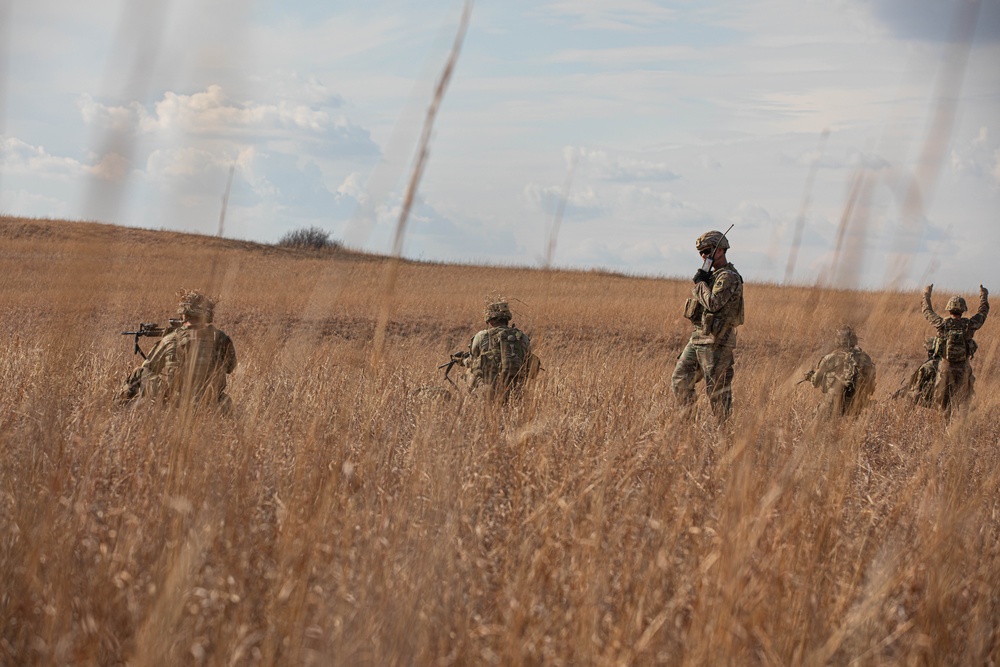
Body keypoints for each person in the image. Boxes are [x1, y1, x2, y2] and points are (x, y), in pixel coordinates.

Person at [118, 289, 237, 411]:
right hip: (213, 401)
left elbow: (150, 367)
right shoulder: (220, 337)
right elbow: (230, 367)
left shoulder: (171, 339)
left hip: (177, 403)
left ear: (184, 313)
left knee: (139, 372)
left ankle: (117, 410)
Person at [671, 230, 744, 421]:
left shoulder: (728, 277)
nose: (704, 255)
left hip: (717, 342)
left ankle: (724, 435)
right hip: (698, 339)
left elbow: (713, 302)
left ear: (720, 250)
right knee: (680, 379)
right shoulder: (711, 277)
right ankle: (688, 427)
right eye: (701, 252)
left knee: (717, 392)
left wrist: (700, 283)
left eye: (707, 250)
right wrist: (703, 280)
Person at [921, 284, 988, 416]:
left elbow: (927, 311)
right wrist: (984, 295)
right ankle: (960, 428)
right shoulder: (969, 325)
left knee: (944, 407)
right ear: (963, 310)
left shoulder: (941, 324)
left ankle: (944, 430)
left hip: (945, 369)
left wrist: (926, 294)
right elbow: (983, 312)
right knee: (964, 404)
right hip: (964, 370)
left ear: (949, 309)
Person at [462, 300, 537, 401]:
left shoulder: (481, 336)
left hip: (489, 392)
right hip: (517, 391)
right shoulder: (522, 337)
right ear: (507, 319)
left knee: (469, 373)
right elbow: (529, 363)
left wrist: (462, 360)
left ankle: (472, 403)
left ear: (491, 321)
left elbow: (472, 361)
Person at [802, 325, 876, 417]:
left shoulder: (830, 358)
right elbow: (871, 383)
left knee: (814, 417)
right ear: (855, 340)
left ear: (838, 340)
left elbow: (816, 383)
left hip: (833, 404)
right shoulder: (866, 358)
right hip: (858, 405)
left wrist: (810, 377)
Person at [892, 337, 940, 407]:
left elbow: (917, 385)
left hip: (935, 400)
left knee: (909, 396)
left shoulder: (927, 366)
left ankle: (907, 416)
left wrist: (901, 393)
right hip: (951, 399)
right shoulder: (947, 364)